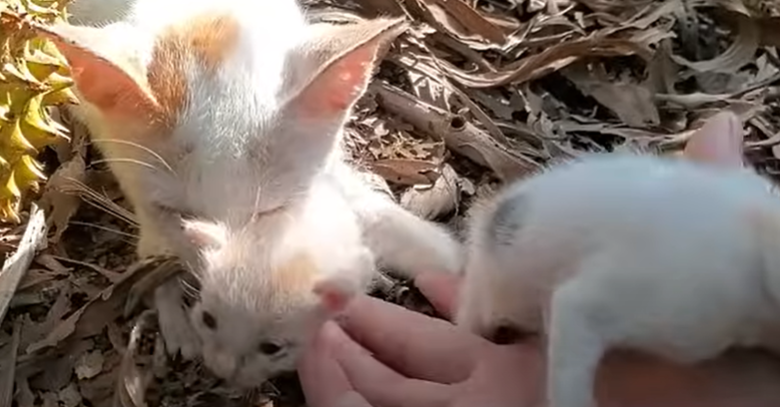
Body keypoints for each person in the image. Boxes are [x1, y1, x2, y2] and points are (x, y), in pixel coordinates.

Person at [298, 111, 780, 407]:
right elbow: (576, 307)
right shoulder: (700, 305)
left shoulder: (746, 231)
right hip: (515, 255)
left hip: (530, 235)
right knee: (482, 317)